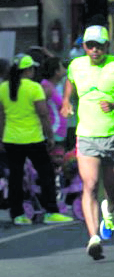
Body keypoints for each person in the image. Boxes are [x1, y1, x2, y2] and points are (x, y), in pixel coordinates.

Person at [61, 25, 114, 260]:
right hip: (86, 135)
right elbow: (70, 80)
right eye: (90, 45)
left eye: (99, 45)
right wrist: (67, 100)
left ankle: (110, 208)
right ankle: (93, 237)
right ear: (84, 46)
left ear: (107, 45)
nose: (94, 50)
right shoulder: (77, 65)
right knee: (89, 185)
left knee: (112, 188)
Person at [0, 54, 74, 225]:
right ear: (28, 70)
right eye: (32, 68)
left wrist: (1, 138)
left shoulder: (3, 88)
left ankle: (17, 214)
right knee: (46, 174)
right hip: (33, 138)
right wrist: (50, 137)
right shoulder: (34, 88)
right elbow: (43, 115)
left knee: (15, 177)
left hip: (11, 139)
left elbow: (1, 116)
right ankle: (50, 212)